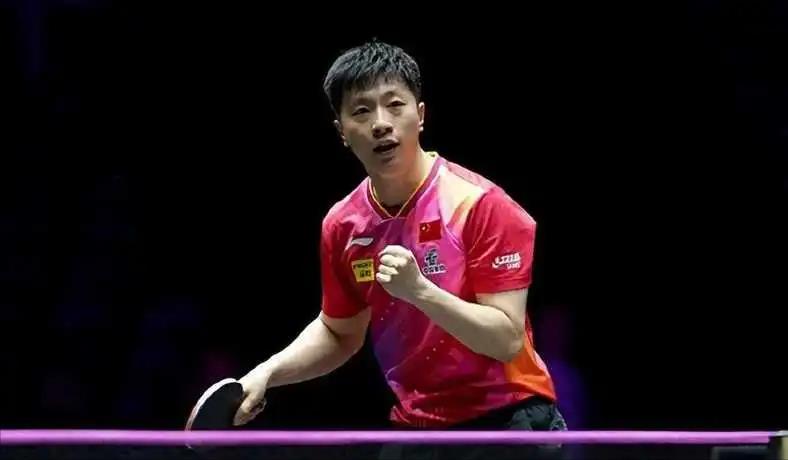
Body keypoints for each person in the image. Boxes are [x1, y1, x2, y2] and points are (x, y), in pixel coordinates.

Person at [233, 40, 566, 458]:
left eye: (394, 106)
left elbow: (506, 340)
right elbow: (339, 332)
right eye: (361, 111)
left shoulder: (479, 204)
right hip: (419, 427)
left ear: (420, 115)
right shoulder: (343, 225)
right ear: (341, 131)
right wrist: (266, 373)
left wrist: (419, 290)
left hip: (508, 419)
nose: (380, 124)